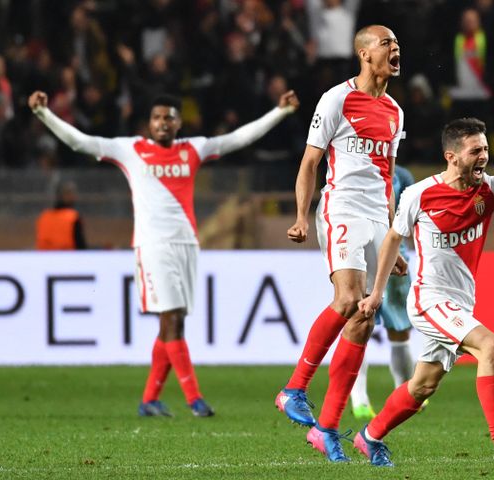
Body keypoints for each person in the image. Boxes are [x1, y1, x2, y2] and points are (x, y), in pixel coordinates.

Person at [28, 88, 299, 417]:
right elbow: (80, 142)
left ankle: (149, 400)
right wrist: (44, 114)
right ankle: (194, 399)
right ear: (149, 123)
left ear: (178, 122)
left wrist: (279, 111)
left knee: (174, 323)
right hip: (153, 245)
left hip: (186, 243)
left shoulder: (193, 149)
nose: (162, 123)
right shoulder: (130, 150)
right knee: (170, 320)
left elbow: (238, 139)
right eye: (157, 118)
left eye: (169, 117)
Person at [354, 118, 494, 469]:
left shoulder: (492, 188)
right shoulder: (420, 194)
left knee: (422, 385)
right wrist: (377, 293)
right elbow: (393, 238)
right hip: (429, 299)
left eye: (485, 148)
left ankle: (370, 437)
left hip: (460, 301)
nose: (484, 156)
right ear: (452, 156)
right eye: (475, 151)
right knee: (490, 344)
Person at [275, 24, 406, 462]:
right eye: (387, 44)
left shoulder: (395, 111)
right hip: (342, 208)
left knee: (365, 321)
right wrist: (300, 215)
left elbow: (387, 178)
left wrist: (392, 238)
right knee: (349, 299)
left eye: (397, 45)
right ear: (365, 53)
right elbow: (310, 161)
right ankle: (294, 387)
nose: (395, 50)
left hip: (375, 217)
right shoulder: (336, 98)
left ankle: (327, 428)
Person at [350, 164, 415, 421]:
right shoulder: (399, 175)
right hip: (372, 254)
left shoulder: (351, 169)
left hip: (369, 254)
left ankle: (392, 394)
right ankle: (372, 397)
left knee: (370, 325)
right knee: (378, 326)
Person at [36, 180, 87, 250]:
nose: (74, 197)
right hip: (68, 258)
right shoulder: (73, 217)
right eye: (71, 193)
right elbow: (81, 247)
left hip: (45, 259)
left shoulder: (44, 216)